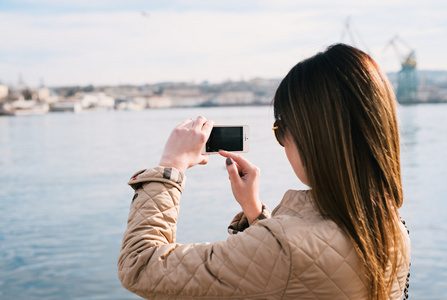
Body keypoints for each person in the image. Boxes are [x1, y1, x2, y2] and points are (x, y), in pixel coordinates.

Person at [118, 43, 411, 299]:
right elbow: (303, 277)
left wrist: (171, 166)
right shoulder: (391, 227)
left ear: (315, 137)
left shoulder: (285, 249)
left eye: (281, 129)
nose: (282, 143)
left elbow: (141, 266)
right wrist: (255, 213)